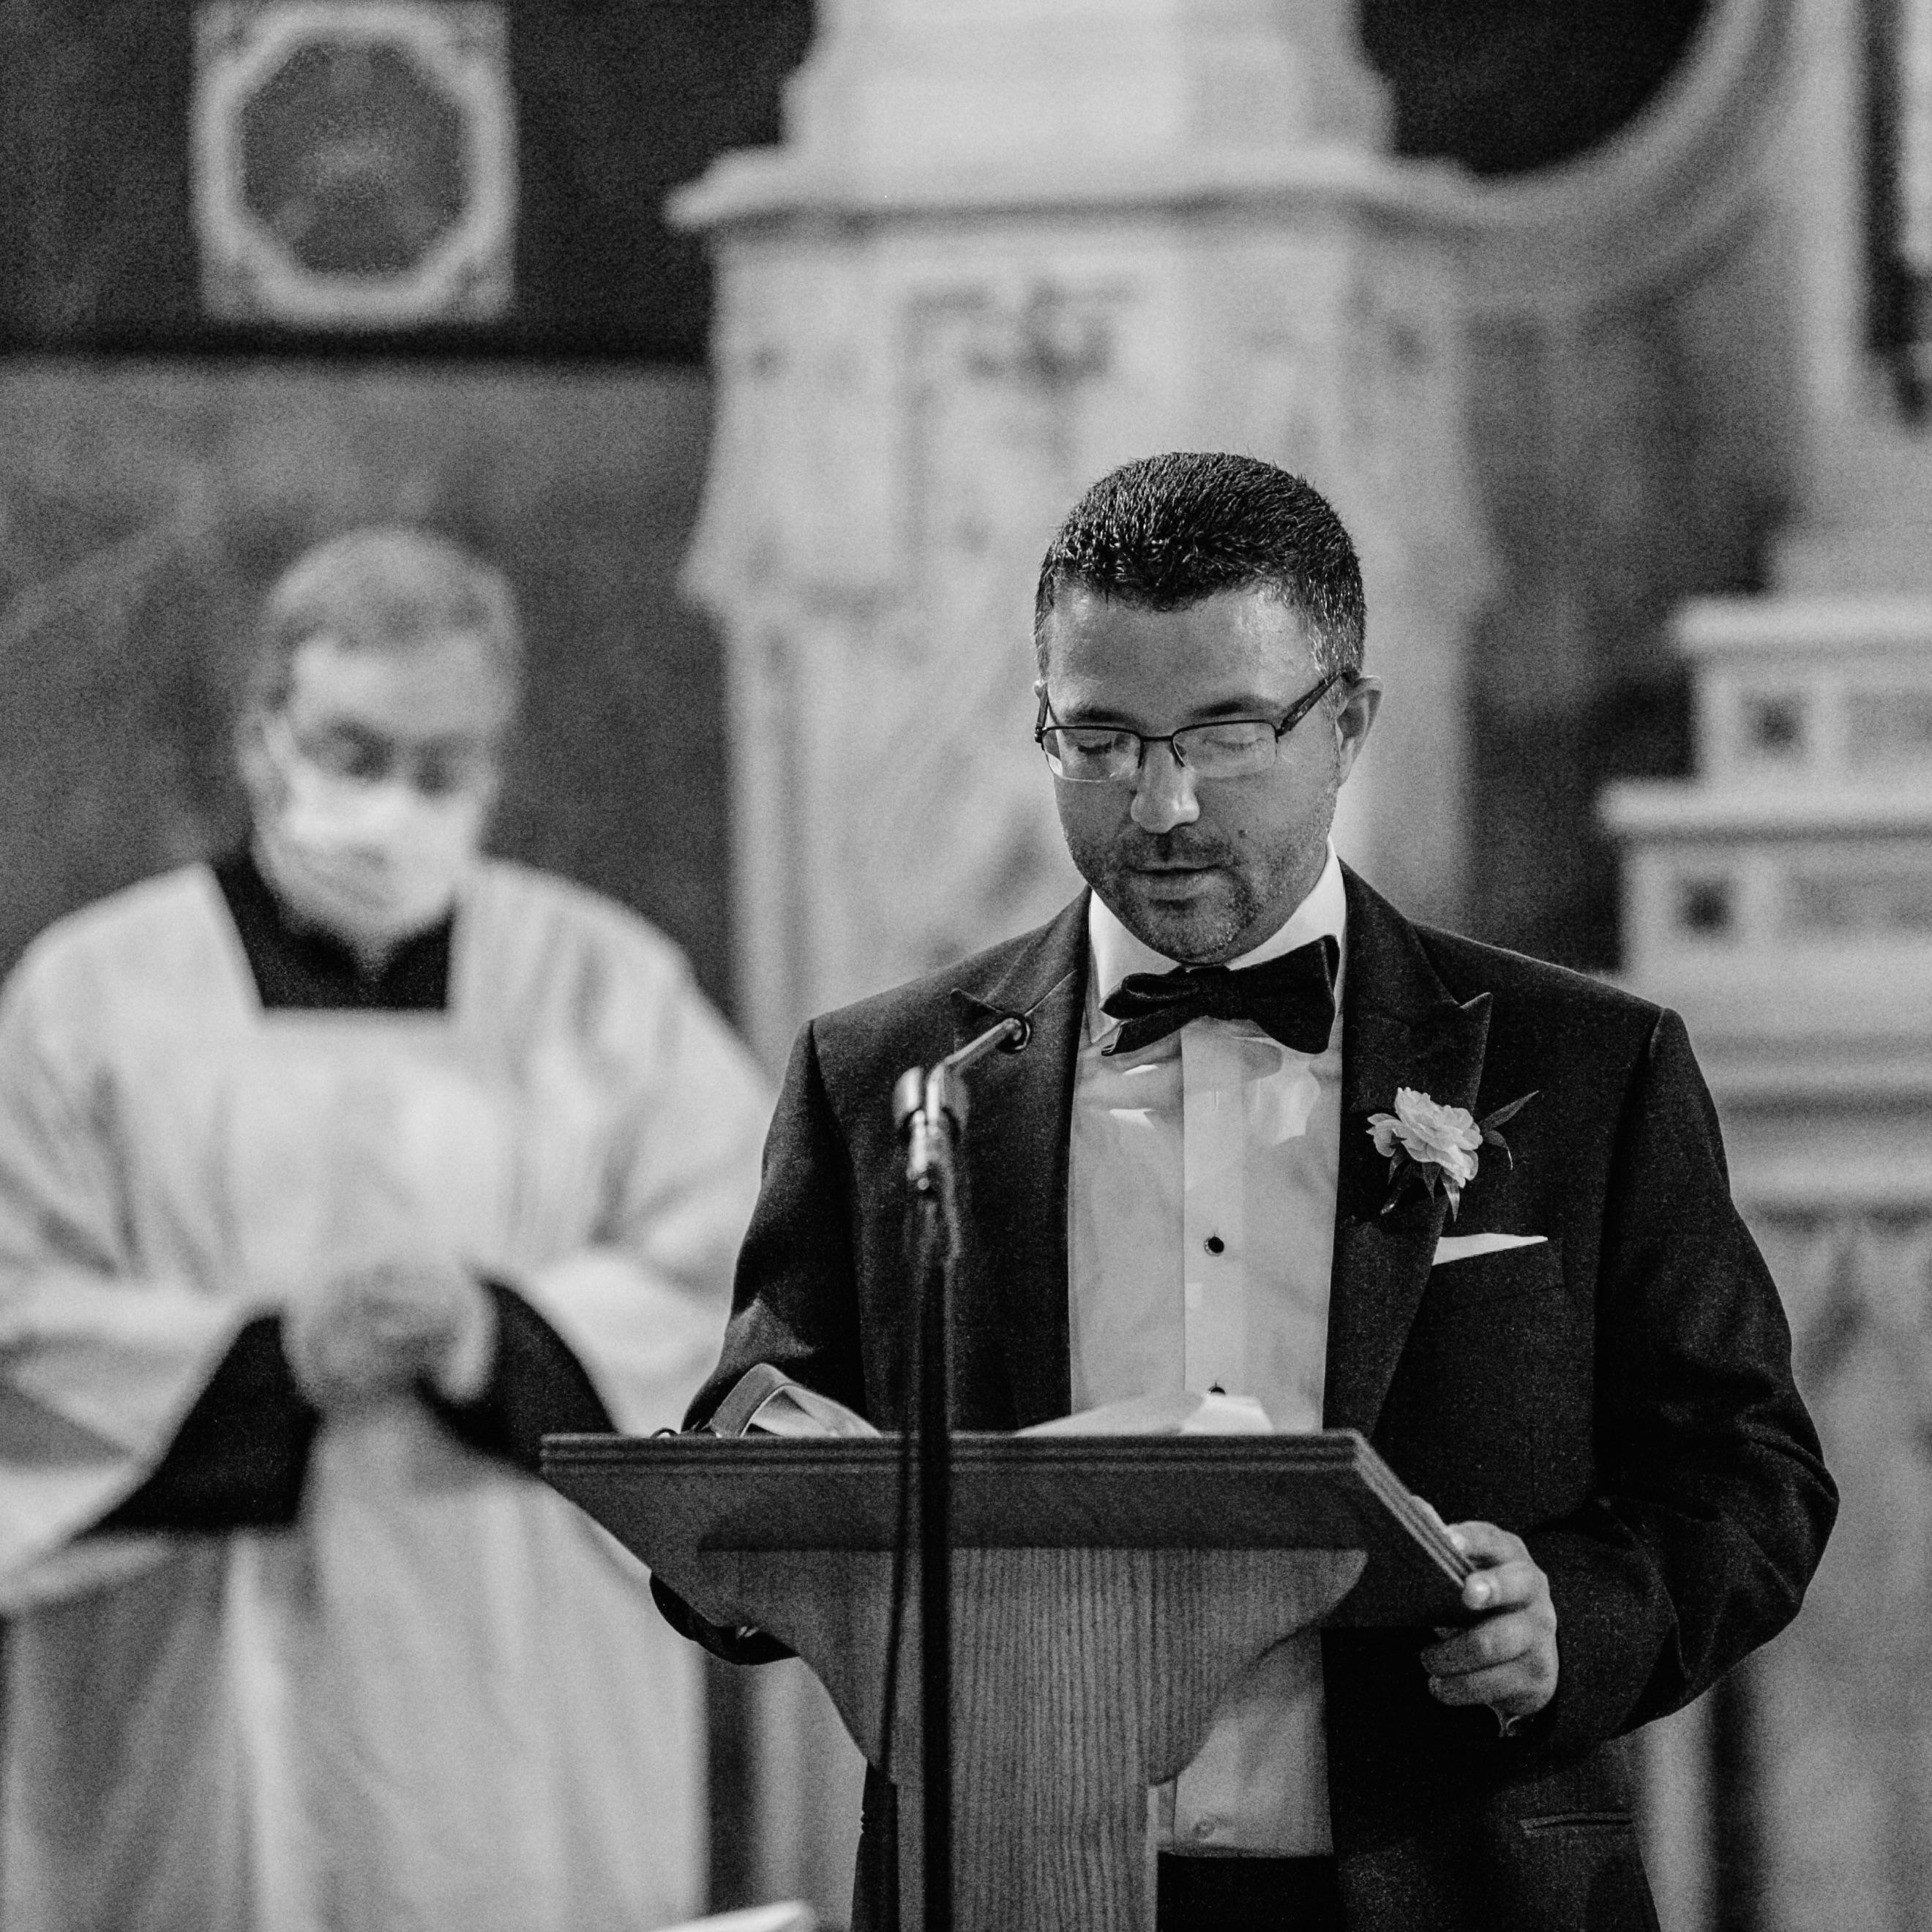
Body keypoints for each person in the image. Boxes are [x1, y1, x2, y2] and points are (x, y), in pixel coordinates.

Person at [664, 454, 1837, 1931]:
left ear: (1349, 725)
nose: (1162, 805)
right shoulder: (885, 1078)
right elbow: (753, 1459)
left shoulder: (1586, 1066)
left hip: (1455, 1885)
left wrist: (1576, 1617)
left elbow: (1750, 1477)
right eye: (1099, 739)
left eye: (1227, 733)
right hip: (1018, 1880)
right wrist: (741, 1538)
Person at [0, 529, 771, 1931]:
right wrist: (263, 1364)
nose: (394, 807)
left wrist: (504, 1337)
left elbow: (744, 1286)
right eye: (353, 755)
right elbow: (17, 1317)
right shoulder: (94, 995)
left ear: (496, 766)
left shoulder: (604, 986)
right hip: (186, 1691)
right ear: (261, 736)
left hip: (529, 1680)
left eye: (440, 769)